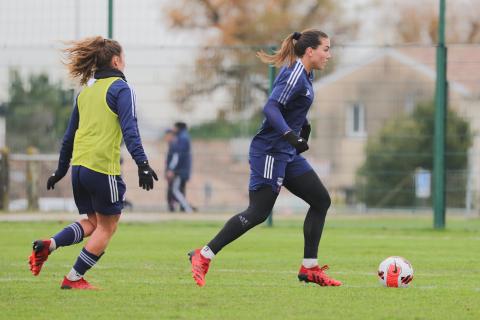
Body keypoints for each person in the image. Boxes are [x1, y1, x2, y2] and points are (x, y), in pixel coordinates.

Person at [188, 29, 341, 287]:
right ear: (310, 51)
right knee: (258, 212)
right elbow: (271, 107)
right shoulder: (295, 74)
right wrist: (289, 134)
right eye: (326, 49)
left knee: (320, 200)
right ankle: (203, 255)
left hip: (286, 153)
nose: (329, 54)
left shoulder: (306, 74)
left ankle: (310, 268)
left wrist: (303, 126)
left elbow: (290, 107)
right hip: (270, 151)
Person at [28, 36, 158, 290]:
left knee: (94, 223)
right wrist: (142, 163)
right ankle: (73, 278)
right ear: (116, 60)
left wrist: (61, 170)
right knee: (107, 228)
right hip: (102, 168)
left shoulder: (85, 92)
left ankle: (49, 245)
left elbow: (68, 137)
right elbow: (130, 129)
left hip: (79, 167)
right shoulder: (122, 89)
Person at [165, 122, 194, 212]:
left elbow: (177, 156)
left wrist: (171, 169)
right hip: (182, 169)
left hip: (180, 170)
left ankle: (187, 207)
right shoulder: (184, 137)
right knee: (178, 189)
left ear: (178, 128)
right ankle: (184, 207)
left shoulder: (181, 139)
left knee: (175, 189)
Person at [163, 128, 177, 212]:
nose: (165, 137)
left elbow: (175, 159)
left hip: (171, 171)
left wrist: (170, 170)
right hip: (169, 170)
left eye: (167, 136)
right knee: (170, 189)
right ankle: (171, 206)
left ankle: (172, 206)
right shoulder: (171, 144)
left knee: (172, 189)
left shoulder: (174, 145)